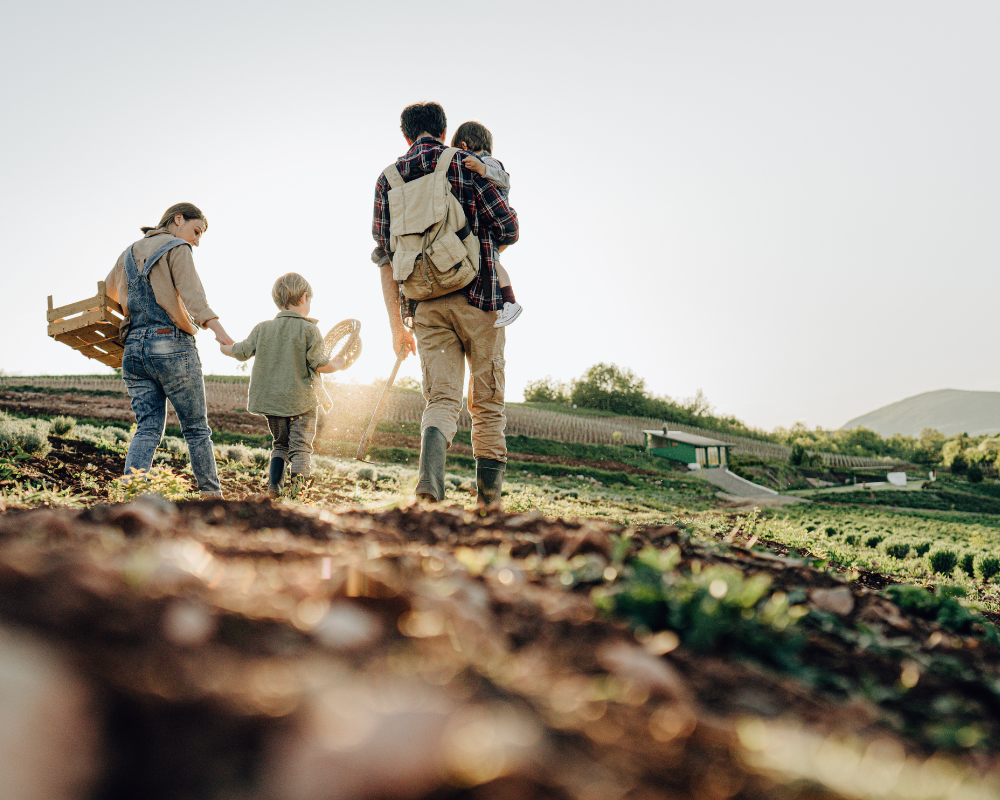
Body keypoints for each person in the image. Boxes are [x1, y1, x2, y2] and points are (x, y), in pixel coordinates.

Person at [372, 101, 519, 507]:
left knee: (441, 400)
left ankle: (429, 488)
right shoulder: (464, 163)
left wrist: (397, 327)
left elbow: (384, 258)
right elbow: (509, 226)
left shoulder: (388, 180)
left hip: (424, 306)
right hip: (480, 296)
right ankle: (488, 504)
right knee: (487, 401)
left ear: (406, 135)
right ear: (444, 130)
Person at [104, 202, 234, 498]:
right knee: (196, 430)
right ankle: (212, 498)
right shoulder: (177, 247)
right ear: (178, 219)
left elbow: (108, 294)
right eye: (196, 230)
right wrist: (221, 333)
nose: (196, 241)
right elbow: (194, 297)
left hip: (134, 350)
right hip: (171, 345)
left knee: (147, 428)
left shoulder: (128, 253)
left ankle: (132, 496)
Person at [220, 272, 345, 497]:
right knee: (301, 448)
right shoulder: (310, 330)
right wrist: (338, 364)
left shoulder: (262, 328)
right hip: (302, 403)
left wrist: (224, 348)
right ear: (305, 297)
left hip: (273, 404)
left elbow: (240, 351)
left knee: (280, 445)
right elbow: (320, 364)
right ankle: (298, 494)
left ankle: (274, 490)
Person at [451, 121, 522, 327]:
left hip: (492, 227)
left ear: (463, 146)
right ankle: (508, 301)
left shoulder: (489, 162)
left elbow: (504, 179)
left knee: (493, 263)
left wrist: (482, 168)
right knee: (492, 261)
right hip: (489, 226)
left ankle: (510, 301)